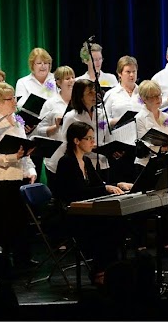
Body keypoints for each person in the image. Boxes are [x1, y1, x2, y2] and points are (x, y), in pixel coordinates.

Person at [54, 121, 132, 286]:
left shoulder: (87, 162)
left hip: (87, 210)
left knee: (117, 222)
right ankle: (100, 271)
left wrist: (117, 185)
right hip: (72, 214)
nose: (92, 142)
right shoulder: (66, 162)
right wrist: (106, 188)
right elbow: (75, 193)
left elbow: (98, 185)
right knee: (106, 226)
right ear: (76, 141)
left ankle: (111, 270)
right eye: (88, 138)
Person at [0, 82, 37, 266]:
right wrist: (15, 156)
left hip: (19, 178)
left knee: (22, 221)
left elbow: (25, 148)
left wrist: (30, 169)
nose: (14, 101)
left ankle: (23, 259)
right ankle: (3, 261)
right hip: (3, 180)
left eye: (14, 97)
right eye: (10, 99)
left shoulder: (16, 120)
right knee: (5, 223)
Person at [35, 66, 75, 185]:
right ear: (58, 82)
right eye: (67, 78)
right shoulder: (51, 103)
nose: (72, 80)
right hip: (56, 159)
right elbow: (39, 129)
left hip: (76, 158)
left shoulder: (79, 102)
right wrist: (55, 127)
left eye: (73, 77)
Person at [134, 80, 168, 174]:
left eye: (159, 95)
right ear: (144, 99)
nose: (158, 99)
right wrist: (163, 149)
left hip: (164, 162)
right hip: (146, 165)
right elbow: (143, 145)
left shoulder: (166, 116)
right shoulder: (139, 118)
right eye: (153, 96)